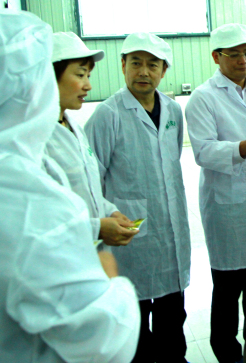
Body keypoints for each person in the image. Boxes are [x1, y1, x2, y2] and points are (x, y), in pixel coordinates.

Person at [0, 10, 140, 362]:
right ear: (31, 87)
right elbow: (104, 343)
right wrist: (111, 282)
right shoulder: (30, 204)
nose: (87, 84)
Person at [84, 32, 191, 363]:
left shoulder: (173, 110)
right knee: (135, 322)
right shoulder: (108, 114)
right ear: (123, 66)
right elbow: (90, 177)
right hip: (128, 233)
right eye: (136, 63)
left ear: (164, 70)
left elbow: (170, 161)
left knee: (173, 314)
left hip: (170, 226)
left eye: (152, 65)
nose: (143, 72)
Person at [185, 23, 246, 363]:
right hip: (230, 212)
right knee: (228, 293)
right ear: (217, 57)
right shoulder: (203, 97)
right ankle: (228, 356)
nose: (243, 60)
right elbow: (202, 151)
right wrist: (242, 148)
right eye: (235, 54)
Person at [43, 32, 138, 247]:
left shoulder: (73, 127)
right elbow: (37, 214)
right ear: (47, 76)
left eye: (88, 76)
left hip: (86, 249)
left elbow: (88, 189)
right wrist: (95, 228)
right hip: (58, 252)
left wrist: (109, 211)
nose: (88, 86)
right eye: (80, 75)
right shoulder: (35, 138)